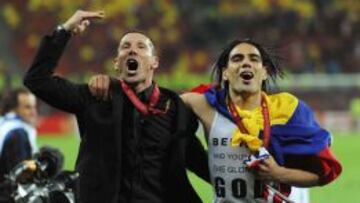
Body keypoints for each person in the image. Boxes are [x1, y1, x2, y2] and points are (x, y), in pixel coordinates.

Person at [88, 38, 342, 202]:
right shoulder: (204, 104)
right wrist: (115, 84)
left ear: (264, 72)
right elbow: (152, 99)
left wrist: (279, 172)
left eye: (254, 59)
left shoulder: (288, 110)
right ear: (225, 73)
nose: (246, 64)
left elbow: (323, 174)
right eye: (237, 59)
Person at [24, 10, 209, 203]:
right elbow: (37, 80)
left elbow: (197, 160)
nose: (132, 50)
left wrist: (238, 182)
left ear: (154, 62)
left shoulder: (174, 108)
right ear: (116, 63)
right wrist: (66, 30)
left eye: (141, 47)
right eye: (125, 46)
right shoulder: (95, 97)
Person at [0, 88, 38, 183]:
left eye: (34, 107)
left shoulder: (4, 123)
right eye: (28, 107)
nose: (33, 112)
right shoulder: (18, 132)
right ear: (14, 109)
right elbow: (21, 176)